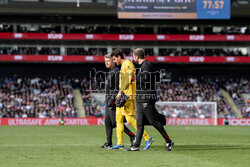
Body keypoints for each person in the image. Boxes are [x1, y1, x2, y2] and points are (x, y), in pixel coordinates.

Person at [125, 48, 174, 151]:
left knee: (154, 122)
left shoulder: (147, 65)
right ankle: (136, 145)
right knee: (139, 124)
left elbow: (145, 80)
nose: (133, 58)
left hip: (146, 98)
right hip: (140, 98)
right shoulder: (143, 66)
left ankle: (169, 141)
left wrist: (133, 77)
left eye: (134, 56)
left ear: (137, 56)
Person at [108, 49, 153, 150]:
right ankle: (120, 143)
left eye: (114, 59)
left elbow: (129, 77)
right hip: (122, 95)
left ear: (119, 57)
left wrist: (121, 91)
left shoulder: (128, 64)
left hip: (128, 96)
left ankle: (147, 138)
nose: (114, 61)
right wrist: (119, 92)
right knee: (118, 119)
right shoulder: (123, 66)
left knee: (129, 119)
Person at [100, 54, 135, 148]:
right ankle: (109, 143)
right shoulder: (111, 71)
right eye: (105, 61)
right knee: (107, 121)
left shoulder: (116, 72)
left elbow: (117, 87)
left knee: (116, 122)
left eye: (108, 61)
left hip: (113, 100)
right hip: (108, 100)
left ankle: (132, 136)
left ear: (113, 61)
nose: (106, 63)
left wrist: (112, 100)